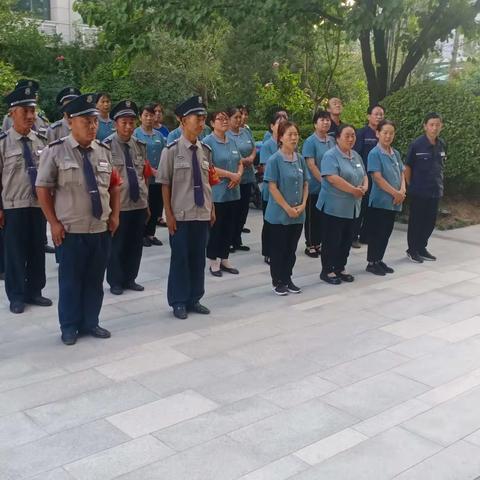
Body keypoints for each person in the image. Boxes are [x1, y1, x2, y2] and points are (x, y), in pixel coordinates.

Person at [36, 93, 122, 345]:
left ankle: (91, 322)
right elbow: (42, 188)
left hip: (100, 229)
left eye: (94, 121)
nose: (92, 126)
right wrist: (53, 222)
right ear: (70, 121)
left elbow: (115, 186)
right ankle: (70, 326)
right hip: (71, 231)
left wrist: (115, 215)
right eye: (86, 121)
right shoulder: (55, 151)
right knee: (71, 281)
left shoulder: (104, 151)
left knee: (95, 280)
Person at [157, 95, 215, 320]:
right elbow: (165, 184)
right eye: (197, 118)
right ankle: (178, 301)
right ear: (183, 121)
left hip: (201, 213)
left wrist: (212, 209)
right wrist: (168, 214)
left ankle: (194, 298)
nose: (201, 123)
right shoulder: (170, 151)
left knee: (198, 258)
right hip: (180, 215)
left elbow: (209, 182)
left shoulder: (206, 150)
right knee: (180, 259)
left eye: (203, 119)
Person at [0, 86, 52, 314]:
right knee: (15, 252)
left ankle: (35, 291)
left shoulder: (42, 141)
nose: (31, 116)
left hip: (38, 205)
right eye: (25, 111)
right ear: (12, 113)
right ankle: (17, 295)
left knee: (36, 249)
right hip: (13, 206)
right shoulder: (2, 143)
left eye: (33, 110)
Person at [105, 100, 152, 295]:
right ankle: (115, 281)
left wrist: (147, 203)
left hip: (138, 202)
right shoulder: (106, 146)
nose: (128, 126)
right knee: (117, 245)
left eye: (131, 122)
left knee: (135, 244)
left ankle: (130, 278)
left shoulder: (140, 145)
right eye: (124, 122)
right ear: (116, 123)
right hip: (119, 205)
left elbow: (144, 175)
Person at [317, 124, 368, 285]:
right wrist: (353, 190)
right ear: (337, 138)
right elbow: (332, 178)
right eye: (347, 135)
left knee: (347, 239)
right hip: (334, 207)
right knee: (332, 239)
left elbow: (364, 175)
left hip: (352, 207)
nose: (351, 139)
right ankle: (328, 270)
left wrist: (364, 187)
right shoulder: (330, 156)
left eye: (353, 135)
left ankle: (340, 266)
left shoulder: (356, 156)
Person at [264, 121, 309, 295]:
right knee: (278, 249)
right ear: (281, 137)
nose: (293, 137)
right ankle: (278, 281)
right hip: (279, 214)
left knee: (291, 249)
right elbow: (272, 187)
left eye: (296, 134)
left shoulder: (300, 159)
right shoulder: (275, 159)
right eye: (289, 134)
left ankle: (288, 278)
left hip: (298, 213)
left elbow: (305, 183)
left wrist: (303, 204)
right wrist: (287, 208)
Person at [204, 110, 243, 276]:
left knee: (229, 226)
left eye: (226, 119)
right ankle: (213, 261)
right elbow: (208, 167)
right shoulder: (208, 142)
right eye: (220, 119)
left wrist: (239, 175)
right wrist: (230, 175)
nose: (224, 121)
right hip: (217, 193)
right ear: (212, 123)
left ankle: (224, 257)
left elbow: (240, 161)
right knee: (216, 228)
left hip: (233, 192)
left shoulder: (232, 141)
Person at [366, 120, 406, 275]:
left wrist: (402, 190)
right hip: (380, 201)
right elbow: (377, 178)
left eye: (391, 133)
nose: (388, 136)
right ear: (378, 134)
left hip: (394, 201)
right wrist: (394, 193)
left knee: (386, 233)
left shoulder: (395, 153)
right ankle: (371, 262)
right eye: (385, 133)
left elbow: (402, 173)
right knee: (377, 232)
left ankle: (379, 259)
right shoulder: (374, 153)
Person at [405, 112, 446, 263]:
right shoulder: (417, 144)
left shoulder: (442, 144)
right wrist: (410, 185)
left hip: (435, 190)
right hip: (419, 191)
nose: (434, 128)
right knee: (416, 221)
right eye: (431, 125)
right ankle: (412, 249)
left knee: (430, 222)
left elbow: (441, 167)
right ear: (425, 126)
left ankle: (422, 247)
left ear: (441, 126)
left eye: (437, 125)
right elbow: (408, 167)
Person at [302, 110, 336, 258]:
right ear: (315, 123)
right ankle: (310, 244)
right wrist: (324, 181)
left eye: (328, 120)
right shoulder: (310, 142)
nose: (326, 122)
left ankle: (319, 243)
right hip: (315, 187)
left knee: (323, 217)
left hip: (330, 187)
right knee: (312, 217)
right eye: (322, 120)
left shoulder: (332, 140)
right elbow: (311, 165)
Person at [352, 104, 385, 248]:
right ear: (368, 116)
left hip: (379, 177)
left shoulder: (384, 134)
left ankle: (365, 235)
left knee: (373, 208)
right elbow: (356, 155)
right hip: (364, 177)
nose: (379, 117)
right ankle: (353, 236)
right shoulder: (361, 134)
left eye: (381, 115)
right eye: (376, 114)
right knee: (361, 207)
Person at [134, 104, 166, 247]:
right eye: (145, 115)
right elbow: (136, 156)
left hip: (158, 179)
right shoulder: (135, 134)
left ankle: (151, 234)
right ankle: (140, 234)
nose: (148, 118)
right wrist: (150, 169)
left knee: (156, 206)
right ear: (140, 117)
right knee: (143, 207)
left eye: (151, 115)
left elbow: (164, 155)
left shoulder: (159, 135)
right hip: (142, 178)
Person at [226, 106, 256, 252]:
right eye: (236, 117)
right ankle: (229, 240)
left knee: (243, 210)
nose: (239, 120)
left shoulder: (246, 132)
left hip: (247, 176)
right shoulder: (226, 135)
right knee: (233, 211)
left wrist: (251, 157)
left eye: (240, 117)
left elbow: (254, 147)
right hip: (234, 178)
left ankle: (237, 239)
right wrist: (242, 161)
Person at [259, 112, 286, 264]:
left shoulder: (289, 144)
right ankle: (268, 251)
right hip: (271, 192)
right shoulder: (267, 145)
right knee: (269, 223)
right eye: (279, 123)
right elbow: (265, 168)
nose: (282, 126)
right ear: (272, 126)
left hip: (286, 192)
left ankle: (280, 249)